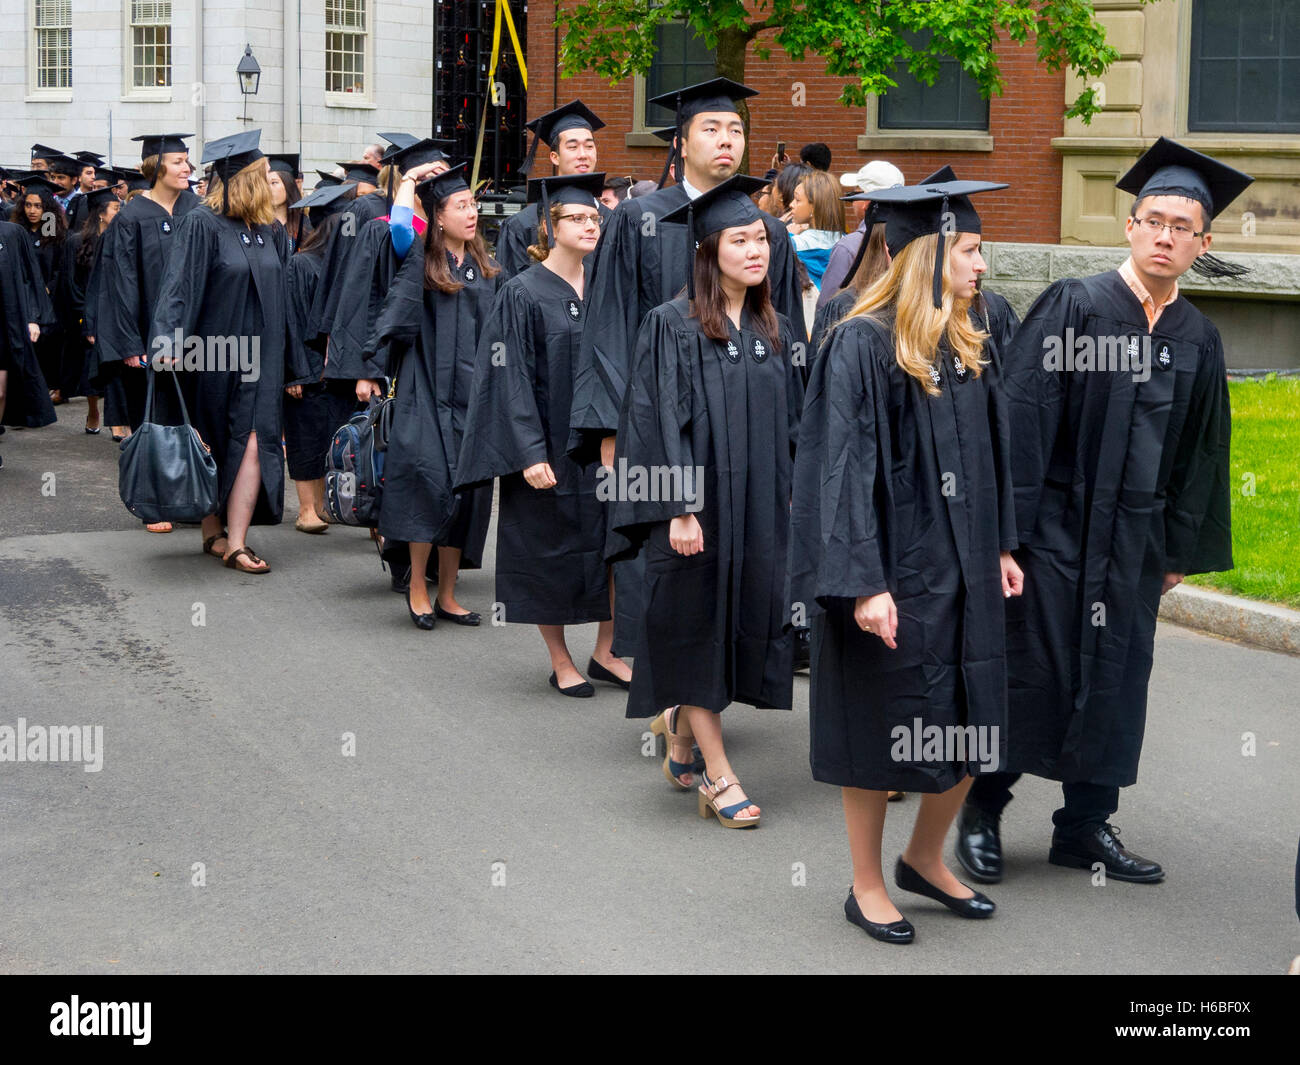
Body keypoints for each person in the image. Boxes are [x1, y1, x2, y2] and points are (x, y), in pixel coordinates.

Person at [956, 138, 1249, 887]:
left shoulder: (1197, 339)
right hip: (1055, 535)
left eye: (1182, 227)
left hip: (1133, 548)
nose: (1165, 236)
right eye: (1153, 220)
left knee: (1117, 680)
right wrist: (1007, 539)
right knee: (1036, 672)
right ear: (1129, 227)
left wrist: (1177, 547)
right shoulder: (1077, 305)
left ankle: (1083, 826)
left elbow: (1200, 455)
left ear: (1203, 243)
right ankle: (982, 809)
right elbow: (1021, 424)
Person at [790, 174, 1019, 943]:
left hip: (965, 563)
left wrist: (1003, 544)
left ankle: (925, 856)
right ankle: (866, 883)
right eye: (971, 249)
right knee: (879, 726)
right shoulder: (858, 340)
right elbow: (839, 464)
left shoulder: (965, 335)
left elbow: (994, 453)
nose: (982, 264)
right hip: (892, 568)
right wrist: (861, 583)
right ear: (928, 253)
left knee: (969, 717)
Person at [570, 78, 806, 664]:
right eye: (711, 128)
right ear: (680, 141)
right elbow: (610, 324)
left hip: (746, 424)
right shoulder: (638, 220)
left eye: (736, 130)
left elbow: (788, 339)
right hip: (655, 423)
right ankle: (666, 685)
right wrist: (609, 429)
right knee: (659, 551)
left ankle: (710, 687)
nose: (727, 140)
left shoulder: (766, 230)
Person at [607, 174, 803, 825]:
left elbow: (791, 423)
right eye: (739, 240)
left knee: (728, 627)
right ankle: (718, 777)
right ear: (707, 250)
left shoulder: (769, 327)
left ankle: (684, 741)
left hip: (755, 513)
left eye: (762, 240)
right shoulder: (673, 325)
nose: (756, 251)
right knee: (694, 630)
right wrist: (679, 509)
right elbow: (655, 421)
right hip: (694, 512)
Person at [457, 173, 625, 691]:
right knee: (547, 552)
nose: (591, 224)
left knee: (614, 547)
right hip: (548, 445)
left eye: (596, 217)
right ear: (549, 229)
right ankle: (561, 661)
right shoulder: (522, 293)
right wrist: (528, 451)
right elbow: (508, 377)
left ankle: (606, 651)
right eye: (577, 218)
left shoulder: (606, 286)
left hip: (604, 447)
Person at [148, 129, 304, 574]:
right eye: (264, 174)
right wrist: (169, 341)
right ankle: (211, 532)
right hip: (214, 353)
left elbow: (285, 297)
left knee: (254, 440)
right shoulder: (202, 223)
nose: (272, 181)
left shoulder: (271, 232)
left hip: (263, 356)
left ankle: (236, 541)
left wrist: (294, 361)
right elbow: (178, 286)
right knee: (214, 440)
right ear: (244, 181)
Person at [365, 163, 499, 627]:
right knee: (426, 487)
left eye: (474, 205)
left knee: (465, 495)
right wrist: (409, 182)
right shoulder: (420, 260)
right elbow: (399, 225)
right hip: (425, 392)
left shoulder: (484, 269)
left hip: (472, 397)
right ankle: (417, 587)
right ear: (438, 217)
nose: (472, 213)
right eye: (461, 206)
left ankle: (448, 593)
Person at [92, 132, 198, 455]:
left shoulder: (199, 211)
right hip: (148, 343)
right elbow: (120, 285)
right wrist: (129, 344)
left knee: (195, 423)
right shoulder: (131, 218)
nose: (187, 169)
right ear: (155, 168)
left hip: (198, 339)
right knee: (154, 425)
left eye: (187, 161)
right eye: (177, 162)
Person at [282, 182, 362, 533]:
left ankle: (325, 504)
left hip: (340, 371)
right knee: (305, 437)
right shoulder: (301, 265)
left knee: (332, 437)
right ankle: (305, 509)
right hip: (309, 371)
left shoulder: (348, 268)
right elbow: (291, 320)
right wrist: (296, 373)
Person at [495, 101, 610, 279]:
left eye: (589, 146)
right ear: (554, 157)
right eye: (572, 147)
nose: (583, 154)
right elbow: (511, 293)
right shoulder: (522, 224)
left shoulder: (614, 220)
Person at [62, 187, 121, 435]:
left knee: (116, 365)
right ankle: (93, 410)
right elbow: (71, 282)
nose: (121, 212)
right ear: (101, 214)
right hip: (86, 311)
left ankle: (117, 419)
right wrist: (85, 315)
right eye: (116, 208)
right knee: (90, 365)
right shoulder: (76, 242)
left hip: (115, 311)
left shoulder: (121, 239)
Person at [0, 209, 56, 459]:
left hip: (4, 322)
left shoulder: (11, 233)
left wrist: (32, 318)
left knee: (0, 391)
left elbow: (28, 278)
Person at [10, 180, 69, 407]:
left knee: (47, 344)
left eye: (37, 206)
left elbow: (59, 267)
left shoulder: (53, 232)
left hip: (48, 299)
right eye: (28, 205)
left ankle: (51, 387)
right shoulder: (18, 231)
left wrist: (48, 288)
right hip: (22, 296)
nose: (32, 210)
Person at [818, 161, 905, 307]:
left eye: (856, 191)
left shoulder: (848, 247)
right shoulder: (913, 239)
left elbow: (826, 308)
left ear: (866, 202)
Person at [787, 168, 846, 294]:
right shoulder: (847, 243)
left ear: (814, 207)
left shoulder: (792, 244)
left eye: (797, 200)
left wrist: (787, 234)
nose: (791, 204)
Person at [267, 154, 308, 249]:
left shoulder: (303, 223)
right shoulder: (259, 224)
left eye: (274, 183)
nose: (268, 189)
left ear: (288, 185)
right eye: (265, 183)